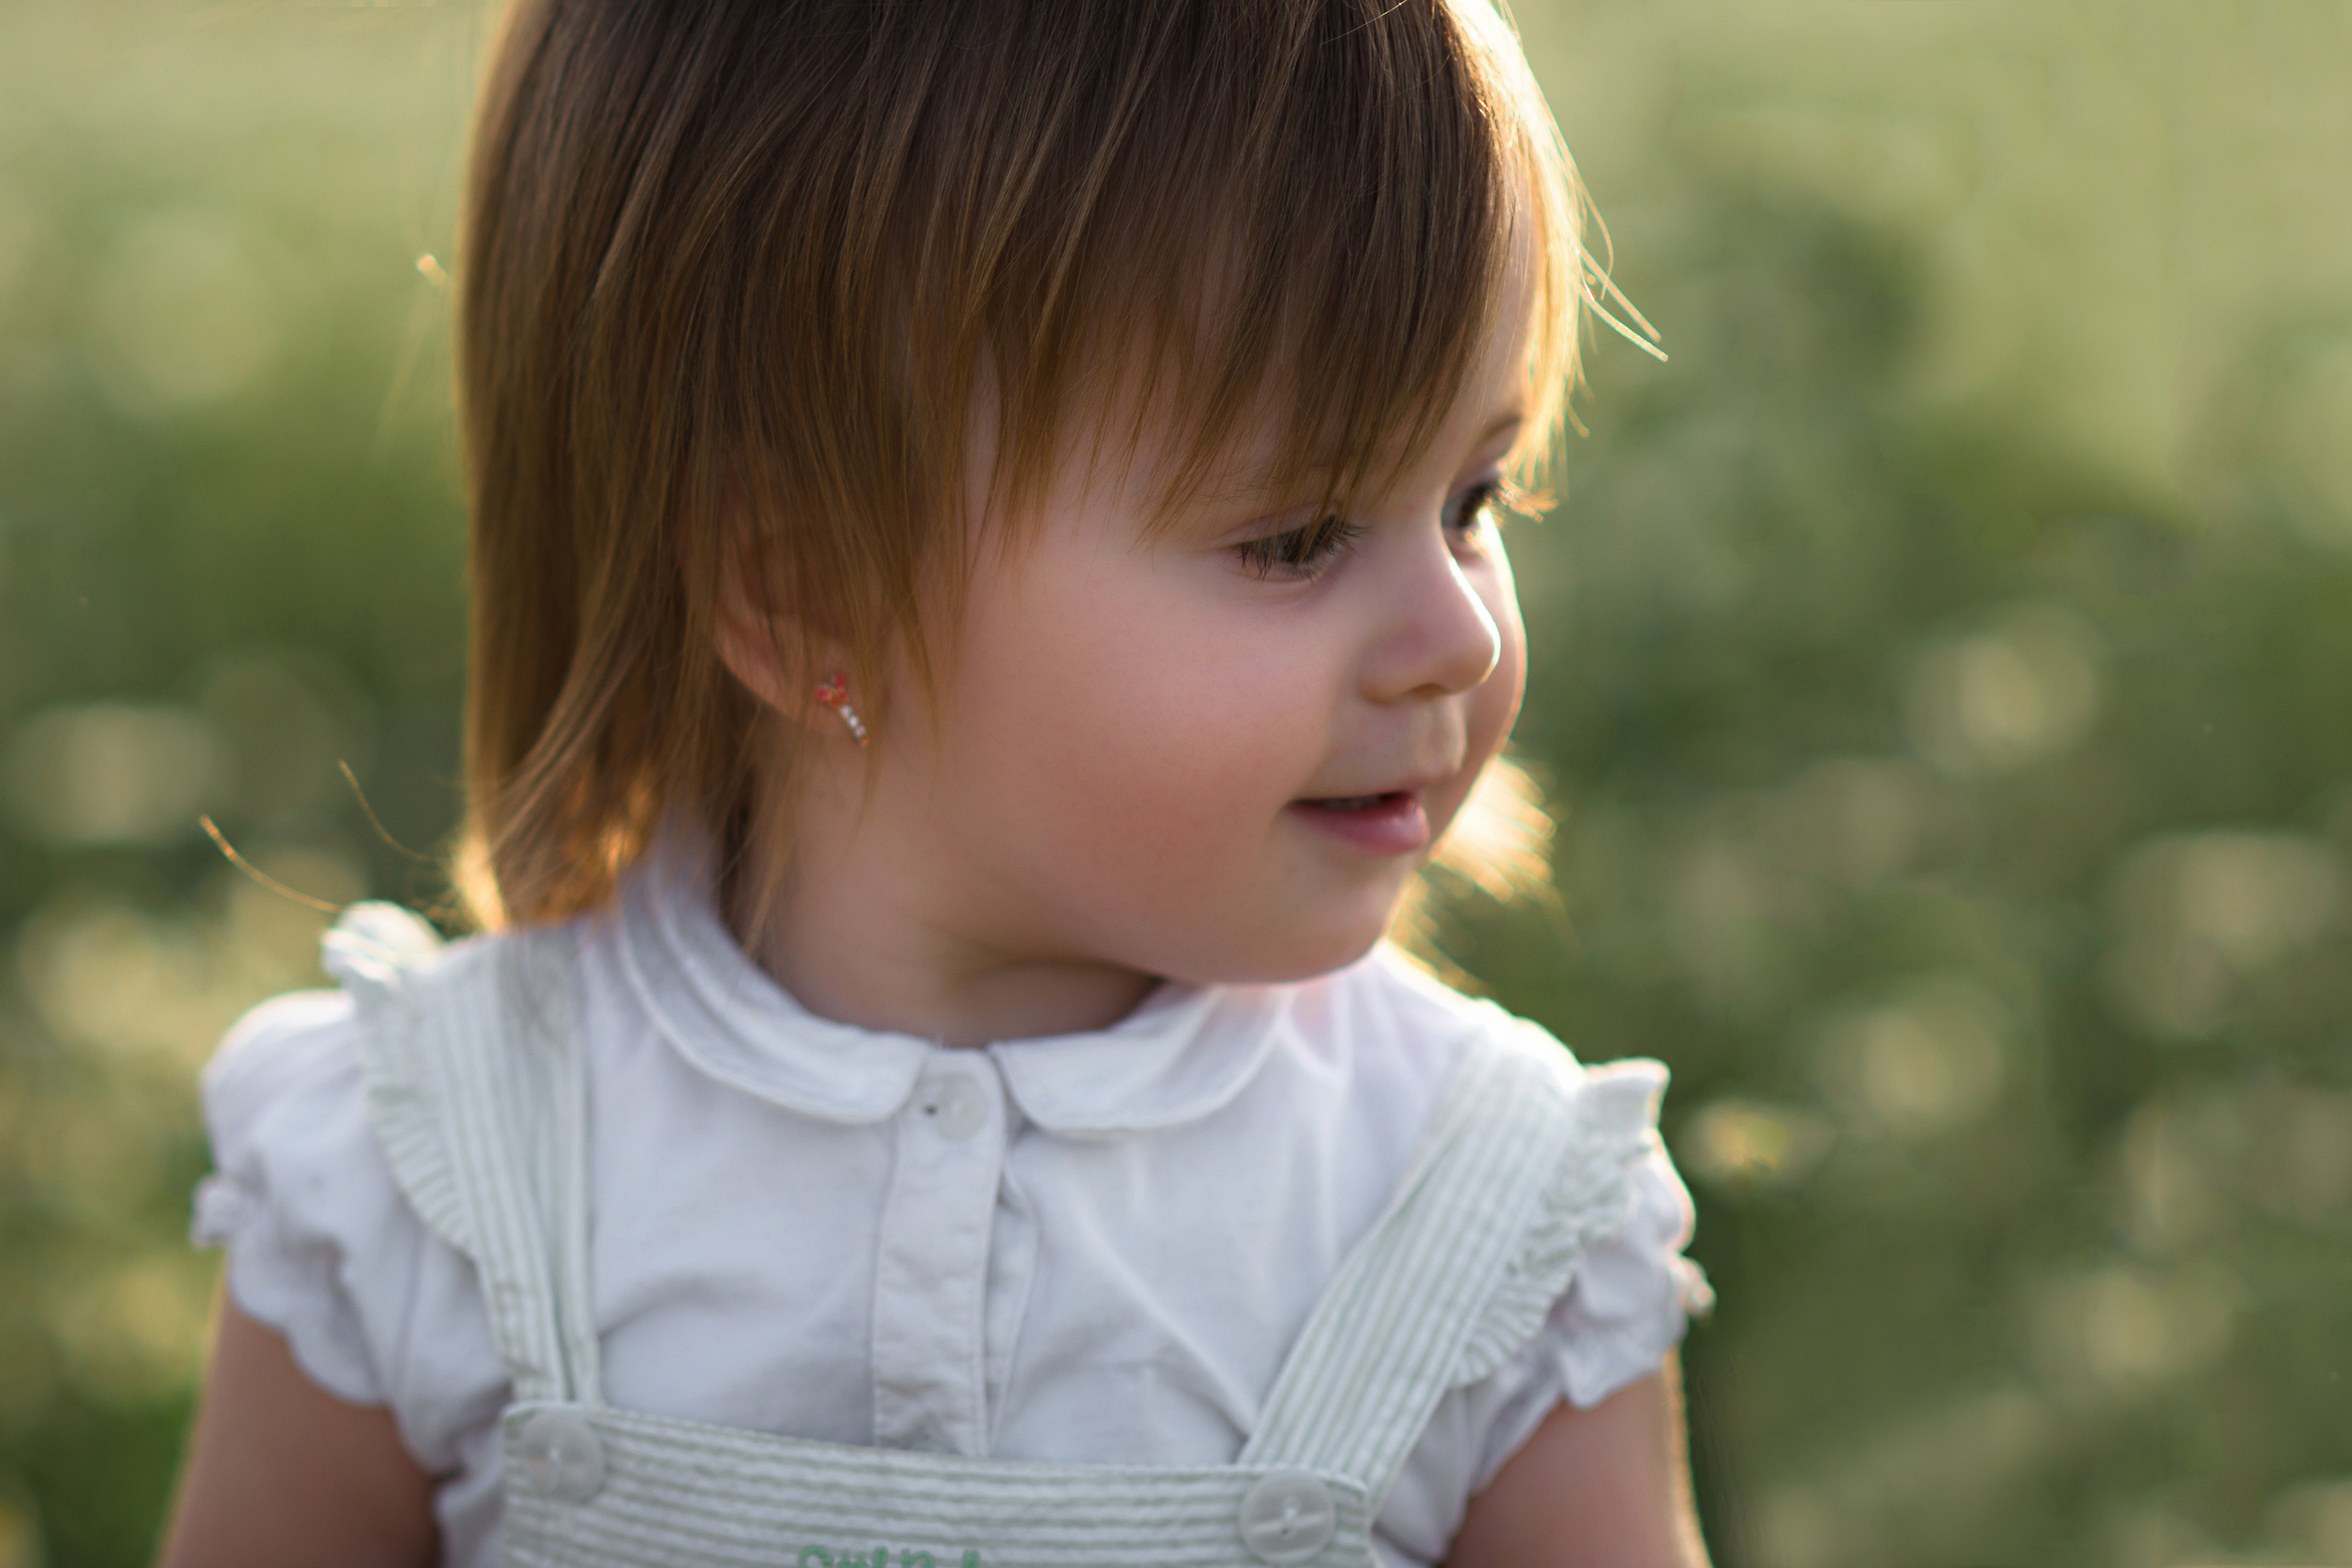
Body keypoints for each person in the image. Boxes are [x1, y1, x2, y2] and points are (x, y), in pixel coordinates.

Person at [159, 1, 1715, 1563]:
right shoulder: (435, 1180)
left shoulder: (1493, 1231)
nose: (1460, 635)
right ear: (806, 599)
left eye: (1473, 497)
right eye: (1297, 538)